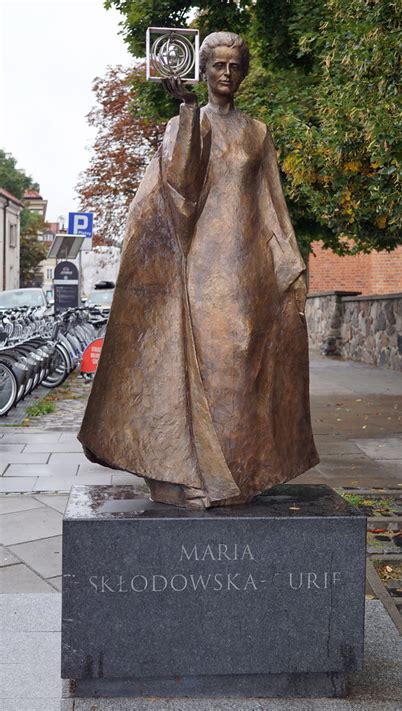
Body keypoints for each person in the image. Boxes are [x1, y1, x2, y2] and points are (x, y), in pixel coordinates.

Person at [78, 31, 318, 508]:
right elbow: (179, 188)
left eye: (234, 66)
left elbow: (272, 203)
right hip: (200, 264)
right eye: (217, 66)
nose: (226, 74)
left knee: (245, 358)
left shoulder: (257, 132)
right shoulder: (185, 122)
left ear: (243, 72)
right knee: (208, 361)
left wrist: (289, 264)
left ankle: (241, 469)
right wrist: (187, 112)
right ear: (203, 70)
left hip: (247, 263)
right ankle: (201, 475)